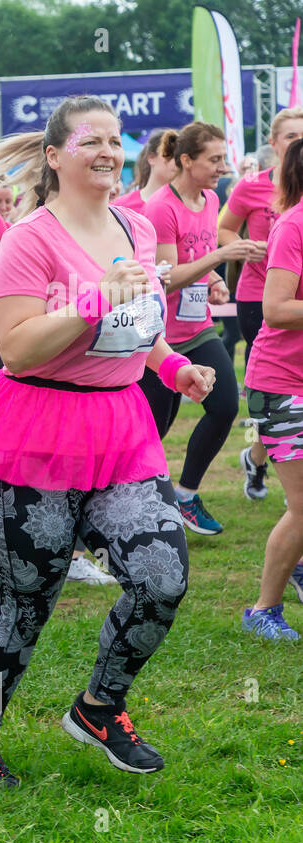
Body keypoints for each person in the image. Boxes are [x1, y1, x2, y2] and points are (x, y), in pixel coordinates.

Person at [0, 97, 213, 785]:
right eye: (90, 140)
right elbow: (16, 348)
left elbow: (140, 322)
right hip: (35, 432)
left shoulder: (135, 227)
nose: (106, 150)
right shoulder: (28, 239)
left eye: (114, 139)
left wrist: (172, 365)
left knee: (162, 578)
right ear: (55, 155)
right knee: (27, 604)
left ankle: (101, 705)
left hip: (120, 429)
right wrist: (92, 296)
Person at [140, 123, 259, 535]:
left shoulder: (210, 199)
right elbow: (167, 278)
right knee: (153, 431)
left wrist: (215, 281)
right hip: (160, 338)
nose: (222, 168)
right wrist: (223, 257)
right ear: (186, 161)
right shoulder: (161, 206)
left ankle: (186, 495)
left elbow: (201, 255)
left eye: (223, 159)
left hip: (198, 328)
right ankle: (127, 507)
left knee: (225, 405)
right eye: (214, 160)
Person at [219, 108, 303, 502]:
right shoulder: (252, 186)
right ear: (273, 142)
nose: (295, 143)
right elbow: (223, 227)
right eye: (289, 136)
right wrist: (243, 250)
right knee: (270, 383)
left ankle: (257, 454)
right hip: (258, 297)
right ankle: (275, 461)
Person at [243, 136, 303, 641]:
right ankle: (263, 609)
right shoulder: (294, 225)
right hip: (281, 384)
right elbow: (276, 309)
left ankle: (295, 562)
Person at [114, 128, 177, 212]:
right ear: (151, 158)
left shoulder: (190, 205)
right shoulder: (122, 206)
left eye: (178, 156)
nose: (175, 161)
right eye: (169, 154)